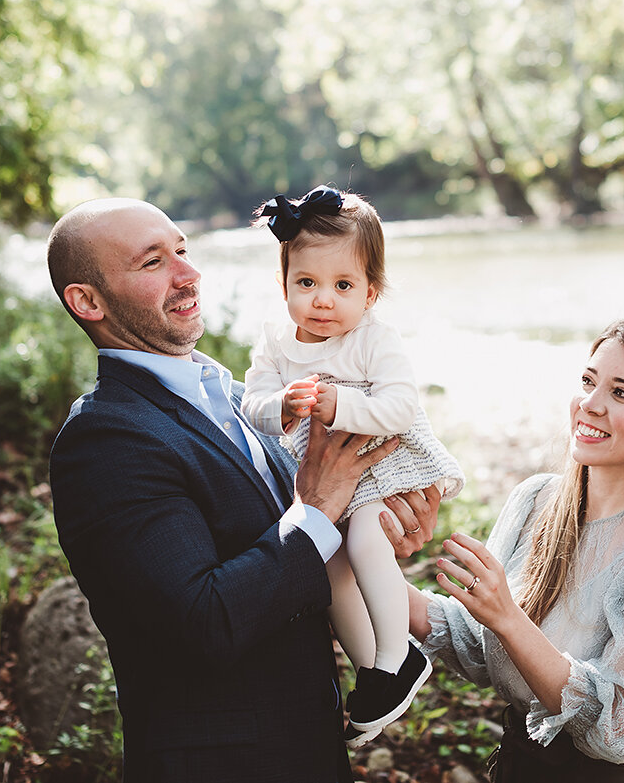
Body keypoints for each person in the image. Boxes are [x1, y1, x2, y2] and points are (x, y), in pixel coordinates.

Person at [45, 198, 442, 783]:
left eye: (182, 250)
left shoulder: (240, 401)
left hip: (311, 746)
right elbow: (204, 621)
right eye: (153, 262)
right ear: (89, 301)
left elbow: (298, 561)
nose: (188, 274)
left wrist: (368, 533)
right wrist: (320, 511)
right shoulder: (105, 439)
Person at [408, 318, 624, 782]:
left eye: (622, 393)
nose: (589, 405)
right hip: (519, 764)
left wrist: (508, 617)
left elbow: (617, 730)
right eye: (588, 381)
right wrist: (350, 555)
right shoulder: (536, 502)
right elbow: (477, 644)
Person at [239, 186, 466, 745]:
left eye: (343, 286)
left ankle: (396, 656)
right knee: (328, 566)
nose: (323, 300)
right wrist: (282, 406)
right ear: (283, 284)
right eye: (307, 284)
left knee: (365, 543)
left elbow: (400, 407)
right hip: (317, 476)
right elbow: (252, 406)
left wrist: (342, 404)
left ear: (371, 292)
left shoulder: (373, 340)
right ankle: (373, 667)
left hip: (378, 462)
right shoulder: (273, 342)